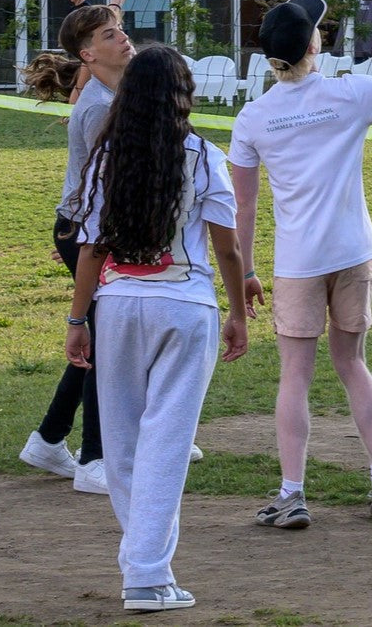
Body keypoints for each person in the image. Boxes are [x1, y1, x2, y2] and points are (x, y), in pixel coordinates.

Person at [230, 0, 372, 529]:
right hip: (353, 253)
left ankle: (292, 494)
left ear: (270, 59)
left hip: (298, 262)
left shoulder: (253, 116)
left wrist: (247, 273)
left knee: (295, 378)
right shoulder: (351, 92)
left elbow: (244, 205)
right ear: (315, 45)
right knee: (352, 363)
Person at [64, 45, 248, 613]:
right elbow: (228, 246)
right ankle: (146, 571)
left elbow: (90, 248)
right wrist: (238, 309)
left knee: (121, 444)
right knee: (166, 440)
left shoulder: (106, 156)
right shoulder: (203, 154)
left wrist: (77, 320)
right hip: (185, 307)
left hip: (118, 307)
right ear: (182, 94)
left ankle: (145, 566)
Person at [18, 4, 136, 495]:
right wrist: (82, 246)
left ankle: (48, 439)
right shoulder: (98, 108)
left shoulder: (113, 89)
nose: (124, 38)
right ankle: (94, 460)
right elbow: (104, 195)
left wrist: (117, 1)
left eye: (122, 30)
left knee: (100, 339)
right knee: (104, 342)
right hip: (91, 233)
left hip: (84, 229)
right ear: (88, 54)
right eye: (112, 35)